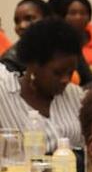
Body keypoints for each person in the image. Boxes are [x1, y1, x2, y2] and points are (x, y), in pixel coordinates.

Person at [0, 18, 86, 153]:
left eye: (70, 72)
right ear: (33, 65)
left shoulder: (75, 95)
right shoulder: (4, 95)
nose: (65, 80)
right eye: (58, 72)